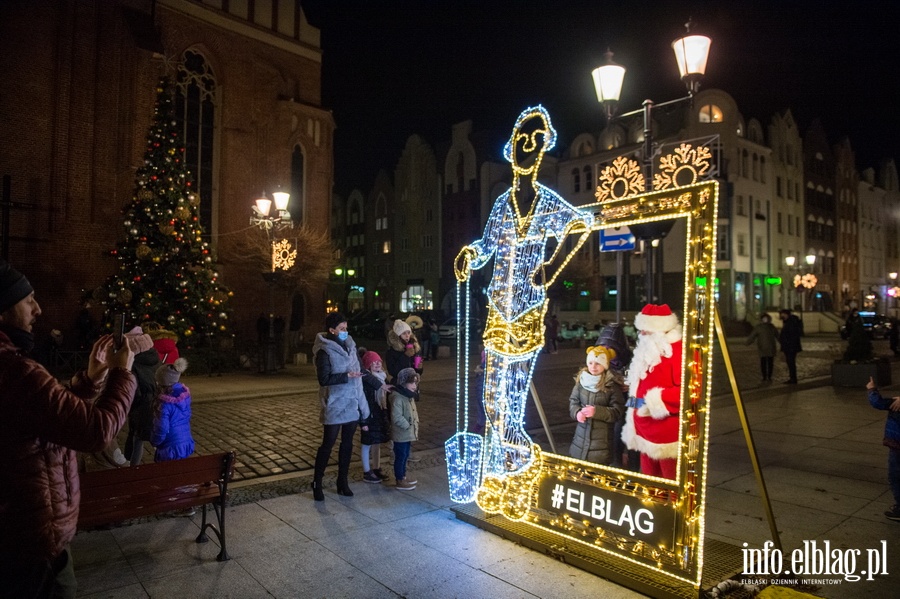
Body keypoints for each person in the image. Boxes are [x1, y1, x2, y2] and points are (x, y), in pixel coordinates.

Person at [453, 105, 593, 481]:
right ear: (510, 148)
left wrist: (552, 267)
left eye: (535, 141)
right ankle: (514, 454)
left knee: (511, 397)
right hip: (498, 312)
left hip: (528, 313)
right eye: (521, 139)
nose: (527, 146)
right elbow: (486, 245)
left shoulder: (547, 203)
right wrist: (471, 255)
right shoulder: (502, 204)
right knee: (489, 397)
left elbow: (581, 224)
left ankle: (508, 463)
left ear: (543, 149)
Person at [0, 259, 137, 598]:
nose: (38, 309)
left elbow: (46, 415)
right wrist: (122, 373)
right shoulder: (16, 372)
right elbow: (98, 431)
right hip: (32, 545)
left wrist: (90, 381)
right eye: (28, 300)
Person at [311, 312, 370, 501]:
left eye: (346, 328)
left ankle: (342, 482)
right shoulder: (324, 350)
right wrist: (346, 376)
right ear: (332, 330)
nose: (345, 332)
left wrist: (378, 382)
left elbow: (361, 369)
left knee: (347, 444)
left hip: (352, 401)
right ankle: (317, 483)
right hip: (335, 403)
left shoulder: (351, 345)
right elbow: (324, 379)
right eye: (342, 329)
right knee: (328, 444)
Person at [621, 303, 683, 480]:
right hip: (643, 430)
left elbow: (687, 391)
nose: (641, 335)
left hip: (666, 433)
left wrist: (652, 402)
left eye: (645, 331)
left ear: (659, 330)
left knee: (670, 482)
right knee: (651, 485)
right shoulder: (649, 351)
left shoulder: (678, 352)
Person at [568, 346, 624, 465]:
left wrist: (597, 412)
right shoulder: (581, 382)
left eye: (598, 363)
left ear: (605, 365)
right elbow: (573, 401)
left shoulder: (611, 386)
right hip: (580, 441)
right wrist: (576, 412)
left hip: (602, 445)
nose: (593, 366)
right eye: (591, 362)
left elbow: (618, 412)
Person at [595, 323, 633, 469]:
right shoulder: (598, 363)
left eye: (609, 347)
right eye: (603, 346)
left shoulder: (632, 361)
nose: (606, 351)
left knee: (619, 437)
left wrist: (632, 385)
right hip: (605, 411)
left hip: (627, 410)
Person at [865, 376, 900, 521]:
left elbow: (877, 402)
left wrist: (871, 388)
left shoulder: (896, 403)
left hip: (897, 445)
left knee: (896, 475)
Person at [151, 357, 194, 462]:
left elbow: (161, 428)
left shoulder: (163, 404)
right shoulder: (184, 397)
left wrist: (154, 441)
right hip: (185, 443)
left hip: (169, 449)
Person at [359, 350, 392, 483]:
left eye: (379, 361)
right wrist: (363, 421)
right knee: (367, 443)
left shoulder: (383, 377)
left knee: (376, 442)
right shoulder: (366, 380)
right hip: (369, 415)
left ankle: (376, 468)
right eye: (374, 362)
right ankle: (367, 471)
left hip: (379, 413)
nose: (377, 364)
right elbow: (362, 401)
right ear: (368, 365)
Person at [390, 367, 421, 490]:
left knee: (405, 456)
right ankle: (399, 479)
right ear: (404, 383)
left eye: (415, 382)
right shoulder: (398, 397)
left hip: (407, 433)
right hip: (401, 433)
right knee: (400, 456)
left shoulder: (409, 396)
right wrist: (408, 426)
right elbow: (396, 416)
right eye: (411, 382)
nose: (414, 385)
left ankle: (403, 476)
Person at [746, 313, 778, 382]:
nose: (765, 320)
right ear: (762, 319)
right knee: (763, 362)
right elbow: (752, 336)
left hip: (771, 347)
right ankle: (764, 376)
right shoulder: (759, 327)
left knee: (770, 363)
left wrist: (783, 342)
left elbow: (777, 336)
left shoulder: (772, 327)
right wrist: (748, 342)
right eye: (764, 318)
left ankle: (769, 376)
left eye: (766, 318)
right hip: (762, 347)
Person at [778, 308, 803, 384]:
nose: (780, 315)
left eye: (782, 314)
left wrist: (786, 343)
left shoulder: (791, 322)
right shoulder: (789, 322)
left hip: (790, 347)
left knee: (791, 362)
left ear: (786, 314)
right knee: (790, 362)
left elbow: (791, 335)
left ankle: (793, 379)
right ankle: (792, 378)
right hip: (790, 346)